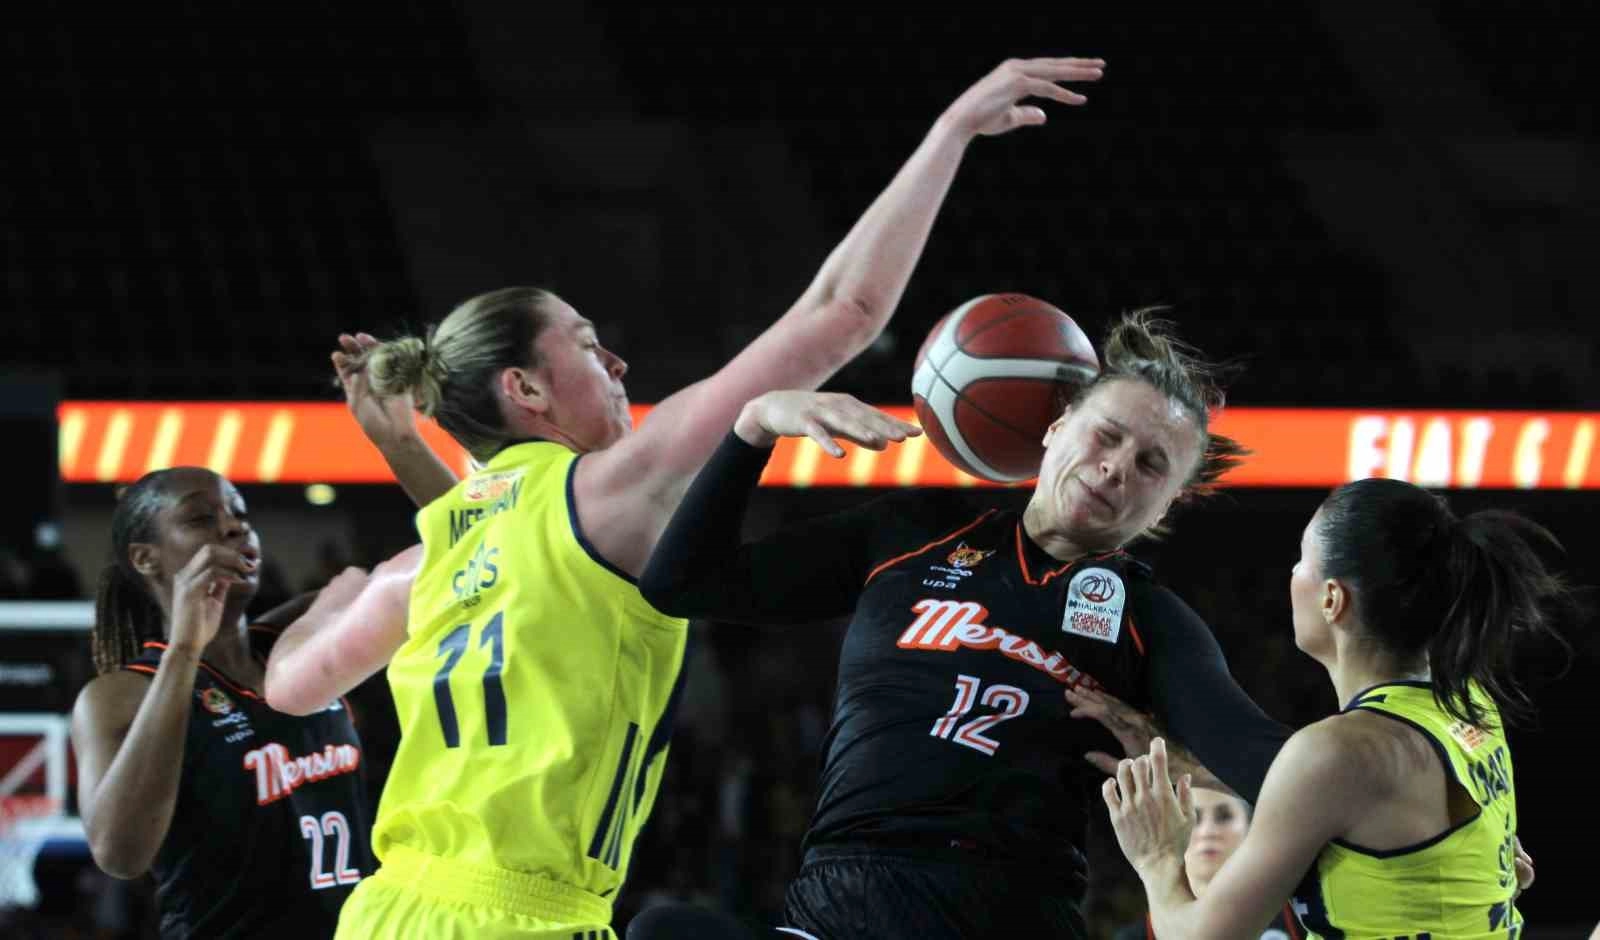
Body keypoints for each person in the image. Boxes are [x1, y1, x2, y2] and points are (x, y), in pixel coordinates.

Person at [262, 56, 1107, 940]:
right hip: (523, 920)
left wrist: (347, 575)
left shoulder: (421, 561)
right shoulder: (610, 489)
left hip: (385, 911)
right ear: (527, 390)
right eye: (586, 344)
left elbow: (289, 686)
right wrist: (951, 130)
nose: (616, 362)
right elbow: (843, 312)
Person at [631, 312, 1292, 939]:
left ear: (1165, 508)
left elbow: (1267, 760)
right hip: (839, 903)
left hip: (1008, 911)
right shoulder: (915, 531)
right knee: (660, 929)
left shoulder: (1149, 617)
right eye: (1107, 435)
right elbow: (679, 582)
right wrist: (752, 429)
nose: (1117, 466)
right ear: (1056, 427)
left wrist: (1187, 761)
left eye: (1151, 465)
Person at [1102, 478, 1565, 939]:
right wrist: (1198, 769)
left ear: (1332, 599)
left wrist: (1157, 857)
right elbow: (1381, 808)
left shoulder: (1340, 752)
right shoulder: (1468, 704)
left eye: (1302, 560)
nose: (1291, 573)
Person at [69, 468, 371, 938]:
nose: (233, 527)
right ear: (146, 558)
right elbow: (120, 855)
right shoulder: (120, 695)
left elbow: (427, 575)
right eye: (200, 518)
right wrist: (185, 648)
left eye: (239, 514)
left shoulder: (301, 638)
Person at [1108, 788, 1298, 940]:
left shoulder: (1298, 917)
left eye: (1224, 816)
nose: (1208, 831)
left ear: (1251, 827)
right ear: (1170, 831)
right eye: (1194, 817)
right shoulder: (1138, 936)